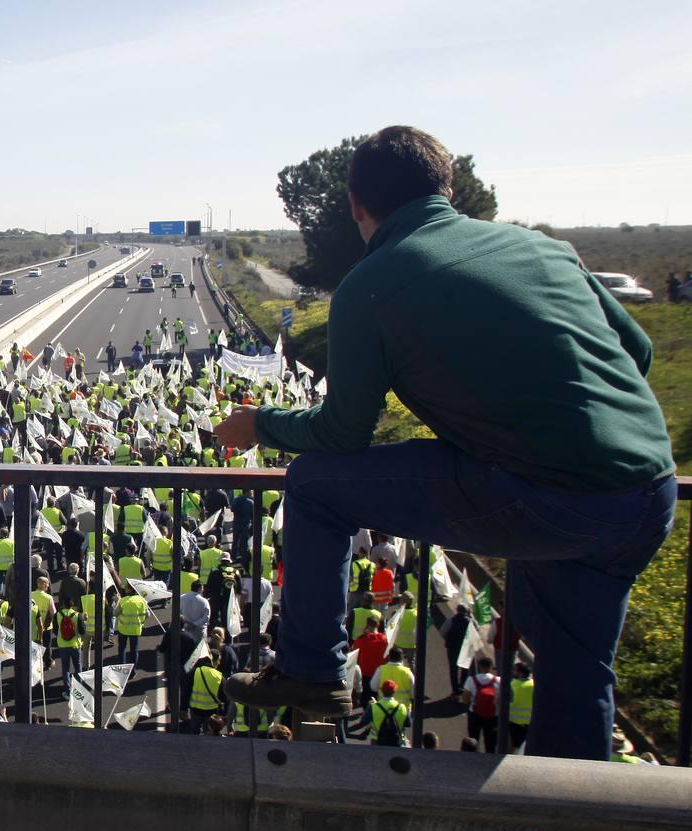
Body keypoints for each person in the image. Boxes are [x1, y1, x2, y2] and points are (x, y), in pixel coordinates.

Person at [217, 126, 676, 761]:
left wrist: (260, 423)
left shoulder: (371, 285)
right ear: (448, 188)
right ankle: (576, 822)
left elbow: (343, 434)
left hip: (542, 492)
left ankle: (313, 670)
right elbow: (639, 351)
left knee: (314, 484)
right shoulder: (544, 248)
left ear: (356, 204)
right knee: (579, 673)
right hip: (645, 495)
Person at [462, 657, 500, 752]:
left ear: (479, 667)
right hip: (492, 714)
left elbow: (465, 700)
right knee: (490, 741)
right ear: (491, 667)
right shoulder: (498, 680)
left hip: (475, 713)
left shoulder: (471, 680)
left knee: (473, 739)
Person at [188, 650, 227, 735]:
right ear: (214, 660)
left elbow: (186, 691)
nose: (219, 663)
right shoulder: (219, 677)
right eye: (218, 660)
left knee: (194, 733)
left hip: (195, 710)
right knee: (209, 733)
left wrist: (183, 708)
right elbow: (224, 697)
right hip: (211, 712)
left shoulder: (195, 672)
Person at [441, 604, 473, 693]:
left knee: (453, 668)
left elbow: (442, 631)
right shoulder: (470, 621)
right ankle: (462, 686)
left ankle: (455, 690)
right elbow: (476, 631)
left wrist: (448, 638)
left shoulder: (451, 620)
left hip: (452, 647)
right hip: (465, 648)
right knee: (465, 668)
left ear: (457, 610)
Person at [370, 679, 410, 747]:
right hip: (397, 741)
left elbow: (364, 721)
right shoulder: (402, 707)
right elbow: (408, 724)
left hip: (377, 741)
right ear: (394, 691)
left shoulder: (374, 707)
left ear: (382, 691)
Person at [116, 590, 149, 668]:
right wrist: (142, 622)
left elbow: (115, 613)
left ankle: (122, 668)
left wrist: (118, 601)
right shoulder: (142, 600)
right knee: (134, 651)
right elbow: (147, 615)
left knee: (122, 648)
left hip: (123, 629)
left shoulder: (123, 600)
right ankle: (133, 670)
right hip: (135, 629)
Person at [509, 661, 535, 752]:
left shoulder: (513, 684)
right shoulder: (534, 685)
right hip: (529, 722)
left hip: (513, 722)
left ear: (520, 673)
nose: (513, 672)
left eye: (515, 671)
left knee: (512, 747)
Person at [180, 578, 211, 644]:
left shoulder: (182, 597)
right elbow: (206, 617)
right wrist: (195, 624)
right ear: (200, 589)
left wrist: (186, 623)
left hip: (186, 628)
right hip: (199, 630)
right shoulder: (204, 601)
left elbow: (178, 613)